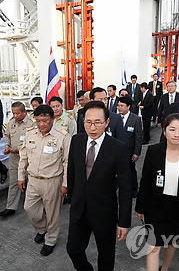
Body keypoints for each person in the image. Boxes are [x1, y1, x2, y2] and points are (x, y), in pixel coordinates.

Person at [66, 101, 132, 271]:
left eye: (97, 122)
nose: (92, 127)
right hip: (79, 208)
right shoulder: (77, 141)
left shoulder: (119, 148)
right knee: (73, 249)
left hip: (104, 211)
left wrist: (124, 221)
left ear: (107, 123)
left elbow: (125, 188)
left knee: (106, 255)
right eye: (88, 122)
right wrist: (72, 199)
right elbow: (72, 172)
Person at [135, 113, 179, 271]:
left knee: (171, 242)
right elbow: (145, 181)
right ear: (164, 131)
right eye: (172, 129)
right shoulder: (153, 151)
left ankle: (164, 267)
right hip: (155, 205)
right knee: (153, 246)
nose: (176, 134)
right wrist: (140, 207)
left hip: (178, 208)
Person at [17, 105, 71, 256]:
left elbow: (67, 163)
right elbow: (24, 157)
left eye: (45, 121)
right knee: (29, 208)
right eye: (38, 120)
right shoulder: (30, 134)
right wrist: (21, 177)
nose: (41, 124)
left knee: (53, 213)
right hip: (33, 180)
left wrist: (65, 184)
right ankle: (42, 229)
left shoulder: (63, 137)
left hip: (52, 181)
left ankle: (50, 240)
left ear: (52, 119)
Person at [0, 102, 36, 218]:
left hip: (29, 160)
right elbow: (7, 136)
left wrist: (18, 149)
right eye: (13, 113)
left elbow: (34, 142)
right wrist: (7, 146)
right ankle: (10, 207)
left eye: (18, 113)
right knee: (13, 182)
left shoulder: (33, 124)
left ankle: (36, 207)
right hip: (14, 159)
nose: (15, 116)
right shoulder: (11, 123)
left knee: (33, 184)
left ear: (24, 112)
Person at [117, 96, 143, 197]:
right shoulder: (115, 118)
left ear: (128, 106)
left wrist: (136, 152)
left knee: (130, 171)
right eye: (118, 105)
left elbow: (138, 137)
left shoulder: (135, 119)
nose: (119, 108)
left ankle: (133, 190)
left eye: (122, 106)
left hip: (129, 151)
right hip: (117, 151)